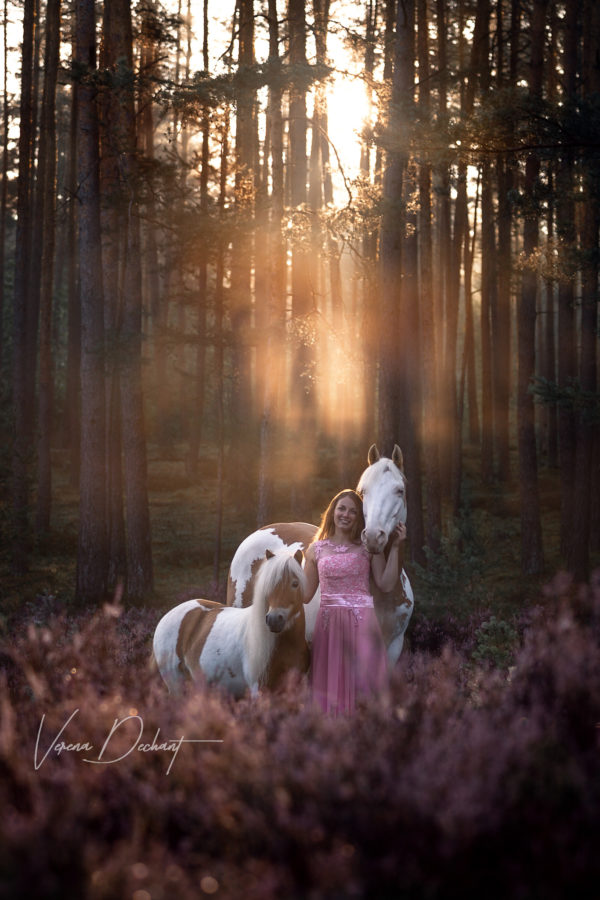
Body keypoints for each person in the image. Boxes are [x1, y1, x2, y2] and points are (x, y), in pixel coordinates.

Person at [303, 489, 406, 715]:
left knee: (365, 686)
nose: (346, 515)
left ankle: (366, 738)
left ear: (359, 517)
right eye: (341, 509)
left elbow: (386, 584)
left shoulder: (368, 547)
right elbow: (305, 595)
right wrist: (285, 573)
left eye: (352, 511)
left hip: (363, 625)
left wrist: (396, 547)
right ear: (332, 512)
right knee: (329, 690)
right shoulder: (315, 550)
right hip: (329, 627)